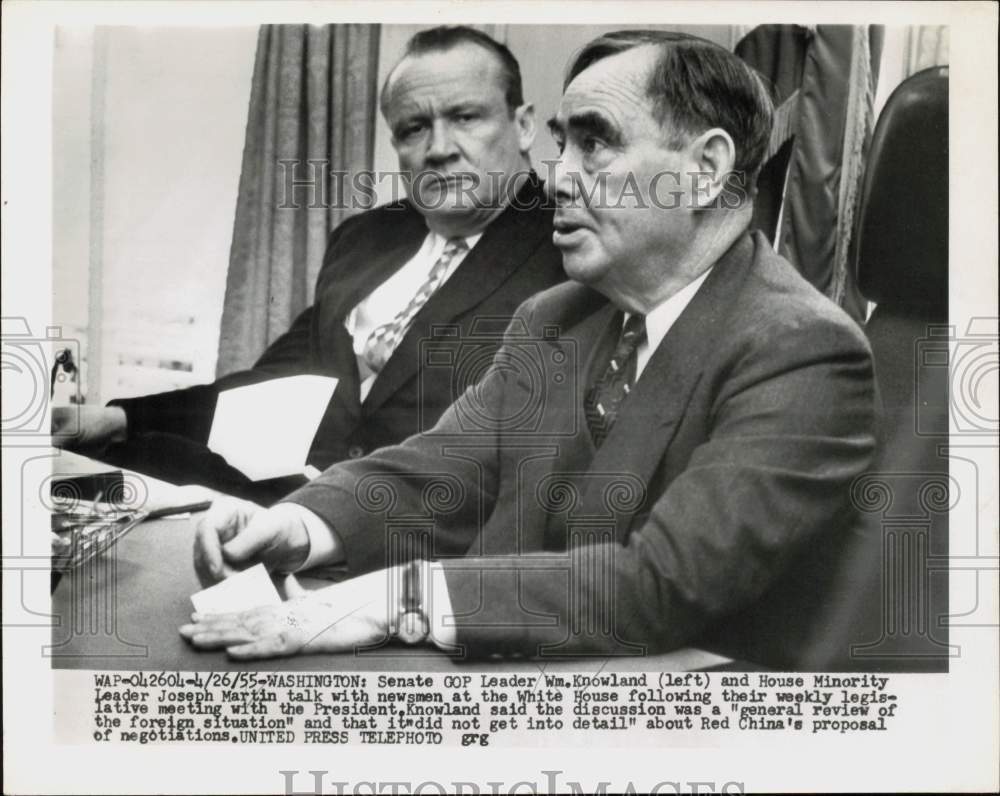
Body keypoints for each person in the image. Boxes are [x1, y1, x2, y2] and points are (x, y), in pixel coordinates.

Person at [181, 30, 877, 661]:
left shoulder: (804, 350)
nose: (561, 175)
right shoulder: (557, 317)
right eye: (561, 142)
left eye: (595, 142)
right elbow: (441, 474)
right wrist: (298, 524)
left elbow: (658, 584)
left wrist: (399, 603)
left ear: (705, 167)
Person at [50, 26, 565, 505]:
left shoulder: (567, 253)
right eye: (414, 128)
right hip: (291, 506)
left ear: (522, 126)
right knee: (96, 476)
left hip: (424, 533)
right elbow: (276, 383)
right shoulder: (366, 238)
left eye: (465, 117)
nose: (439, 149)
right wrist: (118, 417)